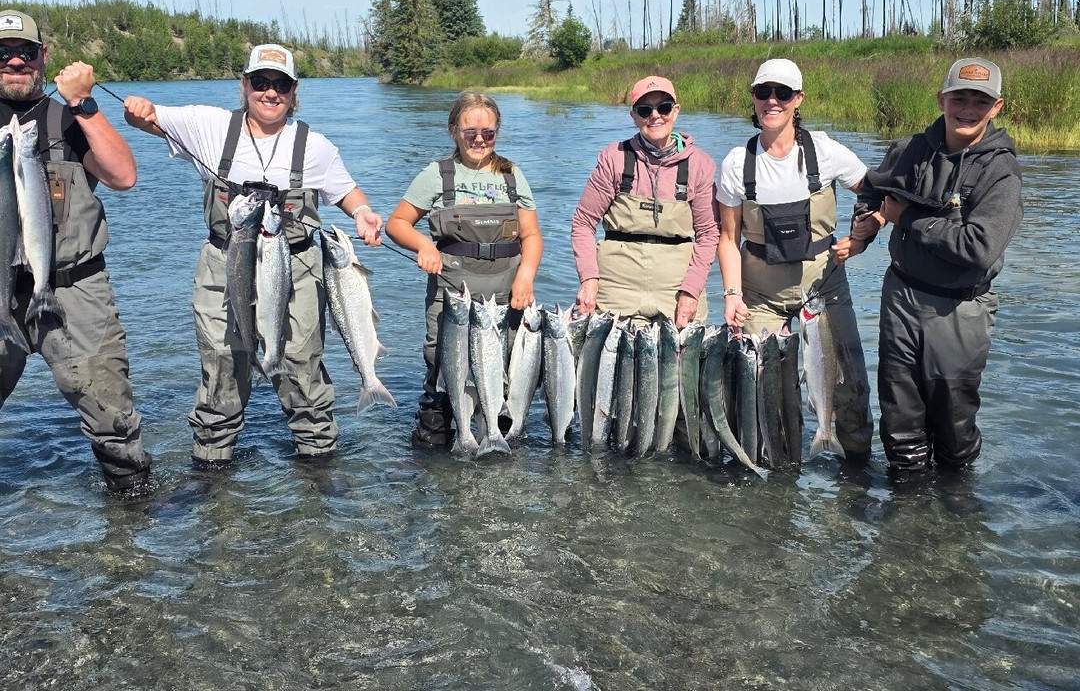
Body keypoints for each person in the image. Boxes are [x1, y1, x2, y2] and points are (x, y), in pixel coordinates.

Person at [123, 43, 382, 468]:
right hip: (225, 263)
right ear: (244, 85)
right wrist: (136, 108)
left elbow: (347, 194)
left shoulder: (314, 146)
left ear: (294, 91)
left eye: (280, 84)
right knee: (223, 363)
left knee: (302, 364)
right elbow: (148, 118)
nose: (270, 92)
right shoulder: (208, 125)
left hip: (294, 267)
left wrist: (365, 212)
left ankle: (318, 461)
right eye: (260, 82)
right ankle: (211, 464)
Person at [0, 8, 153, 494]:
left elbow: (123, 176)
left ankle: (132, 513)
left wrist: (85, 105)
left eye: (25, 52)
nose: (16, 62)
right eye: (3, 54)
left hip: (75, 289)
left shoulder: (66, 115)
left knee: (111, 416)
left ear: (43, 57)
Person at [850, 57, 1022, 474]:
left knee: (953, 427)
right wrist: (867, 226)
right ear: (941, 99)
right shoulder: (908, 150)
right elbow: (872, 191)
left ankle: (956, 512)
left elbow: (979, 248)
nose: (967, 109)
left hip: (960, 309)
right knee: (899, 417)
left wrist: (907, 218)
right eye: (958, 97)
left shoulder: (1001, 172)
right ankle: (904, 509)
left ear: (996, 107)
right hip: (900, 298)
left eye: (979, 101)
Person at [716, 58, 872, 460]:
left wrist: (859, 240)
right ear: (752, 98)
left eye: (782, 93)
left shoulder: (825, 150)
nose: (772, 101)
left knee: (850, 391)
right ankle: (778, 485)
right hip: (759, 296)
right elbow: (727, 238)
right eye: (763, 92)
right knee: (765, 396)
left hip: (824, 291)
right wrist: (732, 294)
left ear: (798, 99)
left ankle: (855, 485)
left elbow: (876, 195)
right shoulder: (736, 163)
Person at [386, 92, 542, 448]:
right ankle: (436, 448)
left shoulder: (512, 175)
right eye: (469, 131)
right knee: (443, 370)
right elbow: (397, 224)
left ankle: (499, 442)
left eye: (488, 132)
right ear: (454, 130)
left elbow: (532, 235)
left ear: (497, 132)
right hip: (451, 294)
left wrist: (526, 275)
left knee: (503, 372)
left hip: (507, 294)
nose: (479, 139)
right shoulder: (436, 175)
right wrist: (424, 246)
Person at [571, 75, 719, 329]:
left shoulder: (700, 165)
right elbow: (583, 223)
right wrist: (589, 279)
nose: (655, 116)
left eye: (663, 107)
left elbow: (708, 234)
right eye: (644, 110)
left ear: (676, 110)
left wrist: (691, 291)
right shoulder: (613, 159)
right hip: (615, 289)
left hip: (676, 290)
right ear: (634, 116)